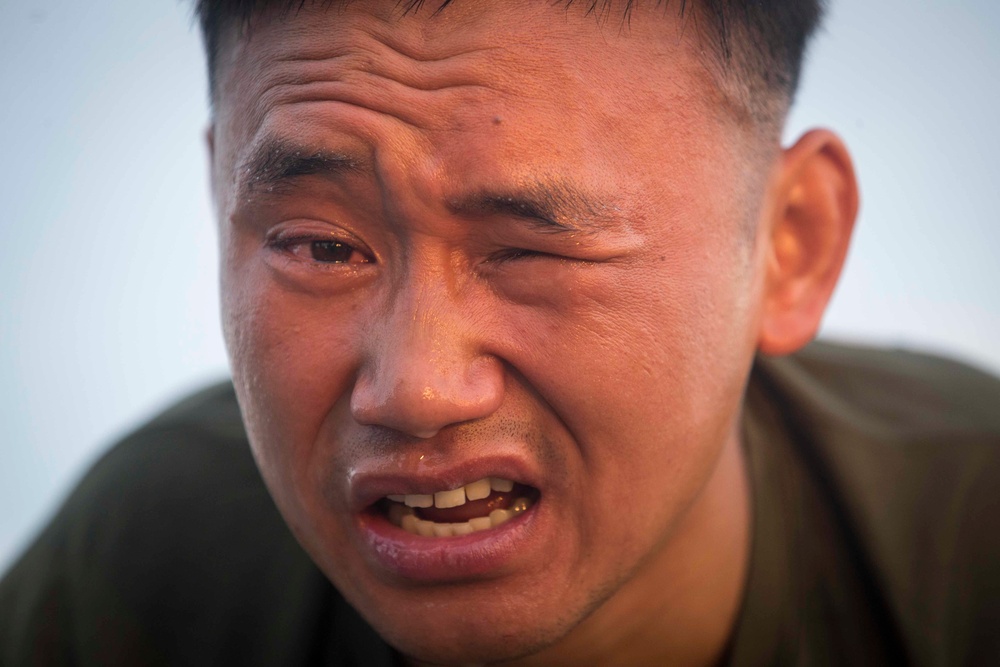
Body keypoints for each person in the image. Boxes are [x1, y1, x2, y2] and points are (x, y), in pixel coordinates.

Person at [2, 0, 998, 665]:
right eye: (319, 245)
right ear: (220, 198)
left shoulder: (969, 544)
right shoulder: (144, 571)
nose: (415, 387)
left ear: (790, 244)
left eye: (532, 251)